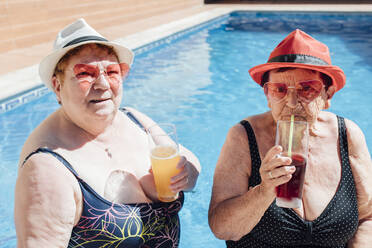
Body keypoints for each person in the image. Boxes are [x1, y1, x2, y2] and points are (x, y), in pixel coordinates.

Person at [14, 18, 201, 248]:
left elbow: (189, 162)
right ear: (57, 85)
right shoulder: (47, 167)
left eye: (112, 72)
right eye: (85, 74)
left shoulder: (135, 120)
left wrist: (185, 175)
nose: (103, 83)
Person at [208, 29, 372, 247]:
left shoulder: (347, 134)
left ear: (328, 95)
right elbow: (222, 229)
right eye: (280, 89)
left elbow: (367, 215)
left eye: (307, 89)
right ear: (267, 95)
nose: (292, 102)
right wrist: (265, 191)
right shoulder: (243, 137)